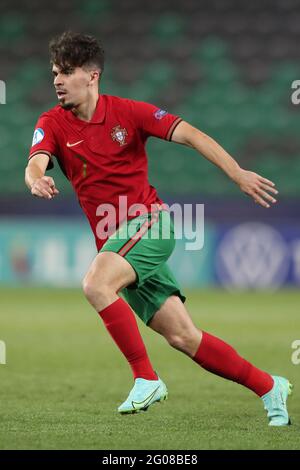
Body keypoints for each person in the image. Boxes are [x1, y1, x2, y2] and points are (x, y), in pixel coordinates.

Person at [25, 31, 292, 425]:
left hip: (150, 222)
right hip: (118, 243)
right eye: (54, 72)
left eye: (66, 71)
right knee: (184, 336)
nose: (57, 80)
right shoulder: (53, 122)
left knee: (96, 284)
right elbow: (37, 160)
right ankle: (271, 386)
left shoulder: (129, 113)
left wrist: (237, 174)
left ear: (93, 75)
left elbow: (192, 135)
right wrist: (35, 179)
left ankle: (145, 378)